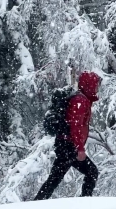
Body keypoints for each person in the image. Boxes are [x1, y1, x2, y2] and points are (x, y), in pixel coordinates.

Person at [34, 71, 101, 200]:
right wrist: (79, 148)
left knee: (55, 179)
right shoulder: (80, 100)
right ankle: (85, 202)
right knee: (90, 172)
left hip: (66, 145)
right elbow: (75, 126)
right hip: (68, 146)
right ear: (89, 85)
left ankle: (37, 202)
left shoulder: (81, 99)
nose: (97, 87)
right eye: (96, 84)